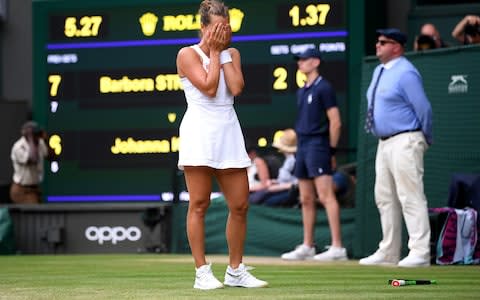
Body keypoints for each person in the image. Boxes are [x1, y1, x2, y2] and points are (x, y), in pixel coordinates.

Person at [176, 0, 267, 289]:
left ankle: (236, 270)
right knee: (199, 204)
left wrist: (223, 53)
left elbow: (236, 88)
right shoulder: (186, 54)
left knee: (240, 205)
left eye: (226, 27)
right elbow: (210, 86)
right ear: (203, 27)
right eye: (217, 27)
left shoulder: (233, 53)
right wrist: (215, 51)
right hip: (199, 132)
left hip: (228, 131)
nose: (223, 32)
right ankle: (202, 272)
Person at [360, 28, 433, 268]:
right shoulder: (379, 70)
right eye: (377, 41)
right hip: (384, 142)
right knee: (385, 198)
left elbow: (424, 108)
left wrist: (423, 138)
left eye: (383, 42)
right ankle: (389, 251)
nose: (377, 45)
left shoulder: (406, 72)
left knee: (410, 196)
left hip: (406, 139)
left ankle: (420, 252)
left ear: (397, 47)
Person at [281, 48, 347, 261]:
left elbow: (335, 122)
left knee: (326, 196)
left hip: (319, 145)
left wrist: (331, 150)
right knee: (306, 198)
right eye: (299, 60)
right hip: (302, 146)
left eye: (304, 59)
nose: (300, 63)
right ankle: (308, 245)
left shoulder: (324, 88)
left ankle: (338, 247)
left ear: (315, 62)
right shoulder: (302, 91)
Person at [258, 128, 299, 207]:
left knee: (267, 202)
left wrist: (277, 187)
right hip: (283, 190)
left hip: (291, 193)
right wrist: (275, 182)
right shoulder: (289, 159)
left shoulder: (295, 160)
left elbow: (298, 183)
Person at [10, 121, 48, 204]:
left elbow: (51, 157)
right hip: (22, 190)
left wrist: (46, 140)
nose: (36, 135)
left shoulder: (39, 143)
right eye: (34, 133)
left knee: (40, 214)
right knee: (35, 213)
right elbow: (33, 160)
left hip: (35, 188)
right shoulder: (19, 147)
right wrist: (30, 138)